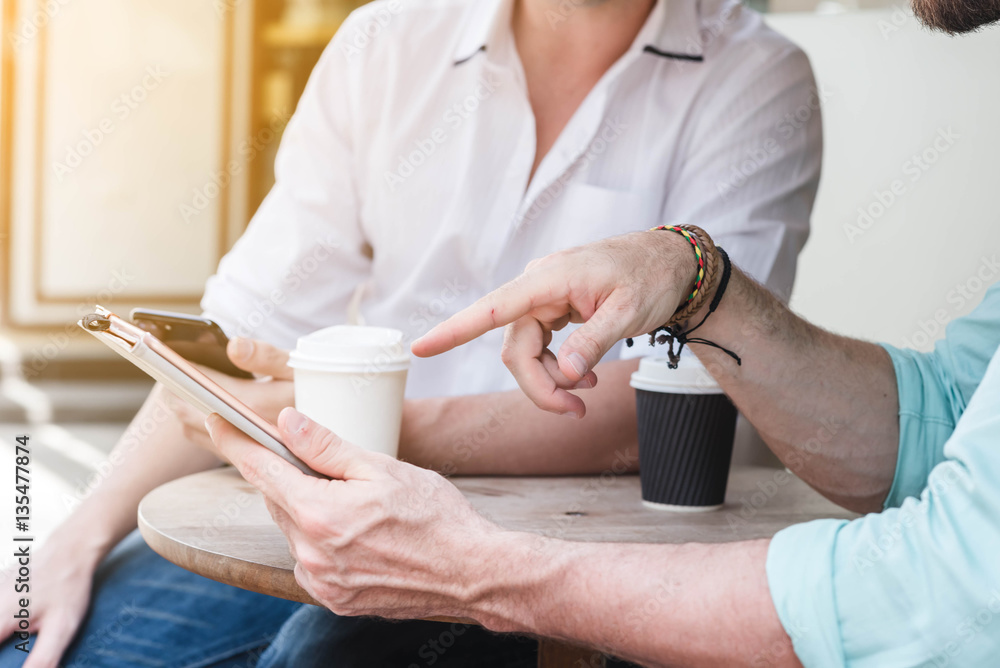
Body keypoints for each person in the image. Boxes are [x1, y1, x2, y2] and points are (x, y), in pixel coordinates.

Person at [0, 0, 823, 666]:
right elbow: (241, 331)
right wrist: (76, 536)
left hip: (567, 560)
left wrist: (331, 427)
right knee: (39, 646)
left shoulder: (756, 78)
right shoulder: (384, 45)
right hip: (320, 513)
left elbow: (660, 410)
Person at [196, 1, 1000, 666]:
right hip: (360, 517)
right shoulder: (386, 42)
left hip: (501, 536)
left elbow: (941, 593)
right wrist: (694, 278)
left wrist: (473, 568)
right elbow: (936, 419)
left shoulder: (751, 73)